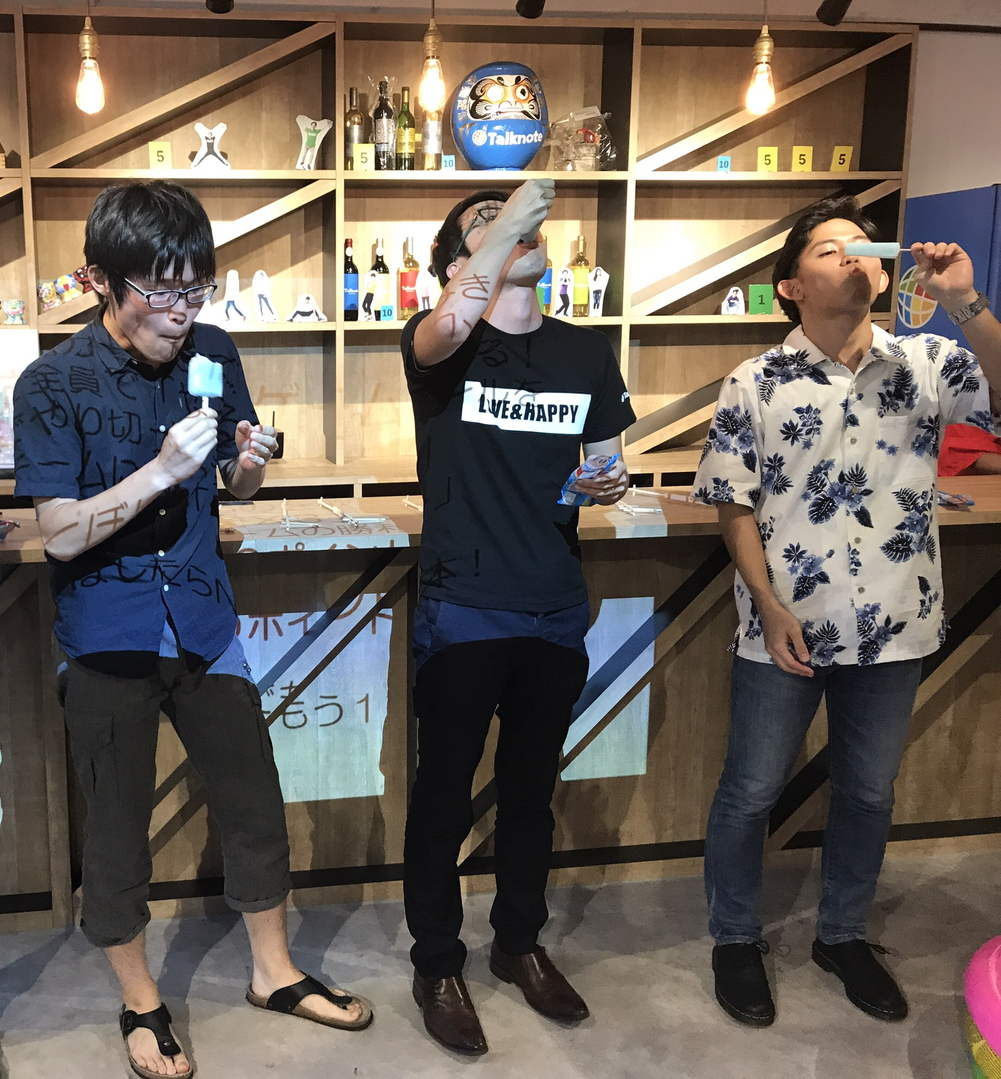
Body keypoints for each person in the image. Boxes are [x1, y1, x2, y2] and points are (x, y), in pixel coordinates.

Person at [11, 180, 370, 1079]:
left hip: (207, 621)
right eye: (161, 291)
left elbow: (234, 486)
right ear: (101, 280)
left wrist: (246, 465)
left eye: (196, 288)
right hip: (107, 633)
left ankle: (273, 972)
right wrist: (162, 471)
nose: (182, 312)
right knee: (116, 829)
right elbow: (59, 533)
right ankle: (141, 1001)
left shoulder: (212, 350)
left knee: (254, 800)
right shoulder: (52, 383)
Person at [693, 194, 1001, 1028]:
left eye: (865, 245)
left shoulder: (930, 360)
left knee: (867, 790)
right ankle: (734, 937)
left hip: (898, 622)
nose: (855, 256)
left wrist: (966, 300)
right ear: (791, 287)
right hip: (785, 625)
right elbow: (731, 501)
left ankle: (842, 933)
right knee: (750, 790)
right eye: (831, 249)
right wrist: (765, 601)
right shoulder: (755, 381)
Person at [399, 183, 635, 1056]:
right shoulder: (439, 344)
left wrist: (610, 480)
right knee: (443, 794)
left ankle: (518, 943)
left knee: (532, 791)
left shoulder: (584, 352)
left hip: (554, 605)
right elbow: (443, 327)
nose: (514, 229)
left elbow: (607, 462)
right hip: (462, 604)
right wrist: (501, 227)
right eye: (484, 225)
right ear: (456, 265)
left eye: (519, 219)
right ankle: (437, 960)